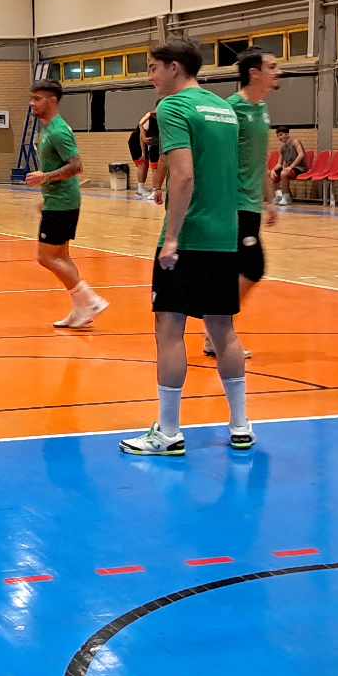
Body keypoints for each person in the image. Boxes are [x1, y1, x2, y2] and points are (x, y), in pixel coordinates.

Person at [120, 39, 250, 457]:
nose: (150, 75)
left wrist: (172, 236)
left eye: (154, 67)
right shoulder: (223, 109)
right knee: (223, 330)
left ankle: (169, 432)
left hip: (190, 236)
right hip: (224, 234)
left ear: (175, 68)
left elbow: (184, 176)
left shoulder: (173, 108)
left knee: (170, 330)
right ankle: (241, 426)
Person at [206, 49, 280, 358]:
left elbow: (261, 160)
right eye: (272, 67)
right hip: (232, 202)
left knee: (241, 269)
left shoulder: (261, 110)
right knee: (253, 267)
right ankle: (217, 329)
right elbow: (214, 155)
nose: (278, 72)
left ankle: (215, 332)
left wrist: (270, 199)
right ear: (254, 73)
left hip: (251, 203)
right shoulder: (230, 109)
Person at [24, 80, 106, 328]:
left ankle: (90, 299)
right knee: (61, 255)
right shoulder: (48, 129)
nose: (32, 103)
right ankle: (81, 309)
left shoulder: (58, 131)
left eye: (37, 98)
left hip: (63, 201)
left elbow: (76, 166)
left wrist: (44, 178)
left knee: (45, 257)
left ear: (51, 101)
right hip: (58, 199)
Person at [126, 110, 161, 200]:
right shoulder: (149, 118)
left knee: (148, 164)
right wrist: (143, 153)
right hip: (136, 142)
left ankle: (144, 189)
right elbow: (142, 138)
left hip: (146, 143)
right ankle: (140, 189)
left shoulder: (161, 119)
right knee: (143, 163)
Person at [274, 127, 307, 207]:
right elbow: (279, 163)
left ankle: (286, 198)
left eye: (281, 135)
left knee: (283, 173)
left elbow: (301, 154)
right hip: (289, 169)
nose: (279, 138)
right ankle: (279, 195)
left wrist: (291, 166)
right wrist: (273, 170)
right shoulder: (282, 148)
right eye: (278, 136)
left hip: (299, 168)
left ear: (287, 134)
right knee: (273, 174)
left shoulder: (295, 142)